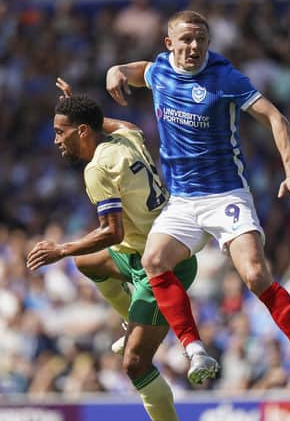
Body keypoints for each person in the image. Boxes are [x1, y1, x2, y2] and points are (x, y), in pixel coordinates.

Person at [105, 10, 290, 399]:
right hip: (182, 201)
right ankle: (195, 351)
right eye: (186, 40)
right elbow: (138, 70)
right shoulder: (159, 71)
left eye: (201, 39)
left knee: (254, 274)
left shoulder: (224, 77)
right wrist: (116, 69)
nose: (194, 47)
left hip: (226, 194)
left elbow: (276, 118)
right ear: (170, 44)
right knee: (153, 260)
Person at [26, 78, 200, 421]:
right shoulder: (127, 136)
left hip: (162, 266)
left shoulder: (97, 169)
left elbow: (111, 231)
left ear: (83, 132)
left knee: (134, 364)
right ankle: (129, 318)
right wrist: (80, 108)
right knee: (86, 262)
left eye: (62, 132)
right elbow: (122, 123)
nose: (57, 140)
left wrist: (61, 249)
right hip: (152, 249)